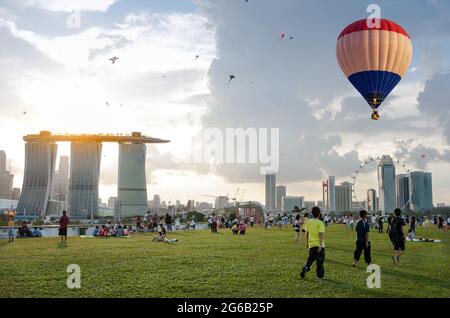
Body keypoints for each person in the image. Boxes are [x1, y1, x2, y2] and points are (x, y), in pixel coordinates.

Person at [300, 207, 325, 279]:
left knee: (310, 259)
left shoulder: (309, 222)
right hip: (320, 245)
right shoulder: (320, 223)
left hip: (311, 245)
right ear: (319, 214)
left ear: (312, 213)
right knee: (320, 261)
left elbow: (307, 234)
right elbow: (321, 235)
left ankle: (306, 267)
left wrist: (307, 244)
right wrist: (320, 245)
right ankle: (320, 275)